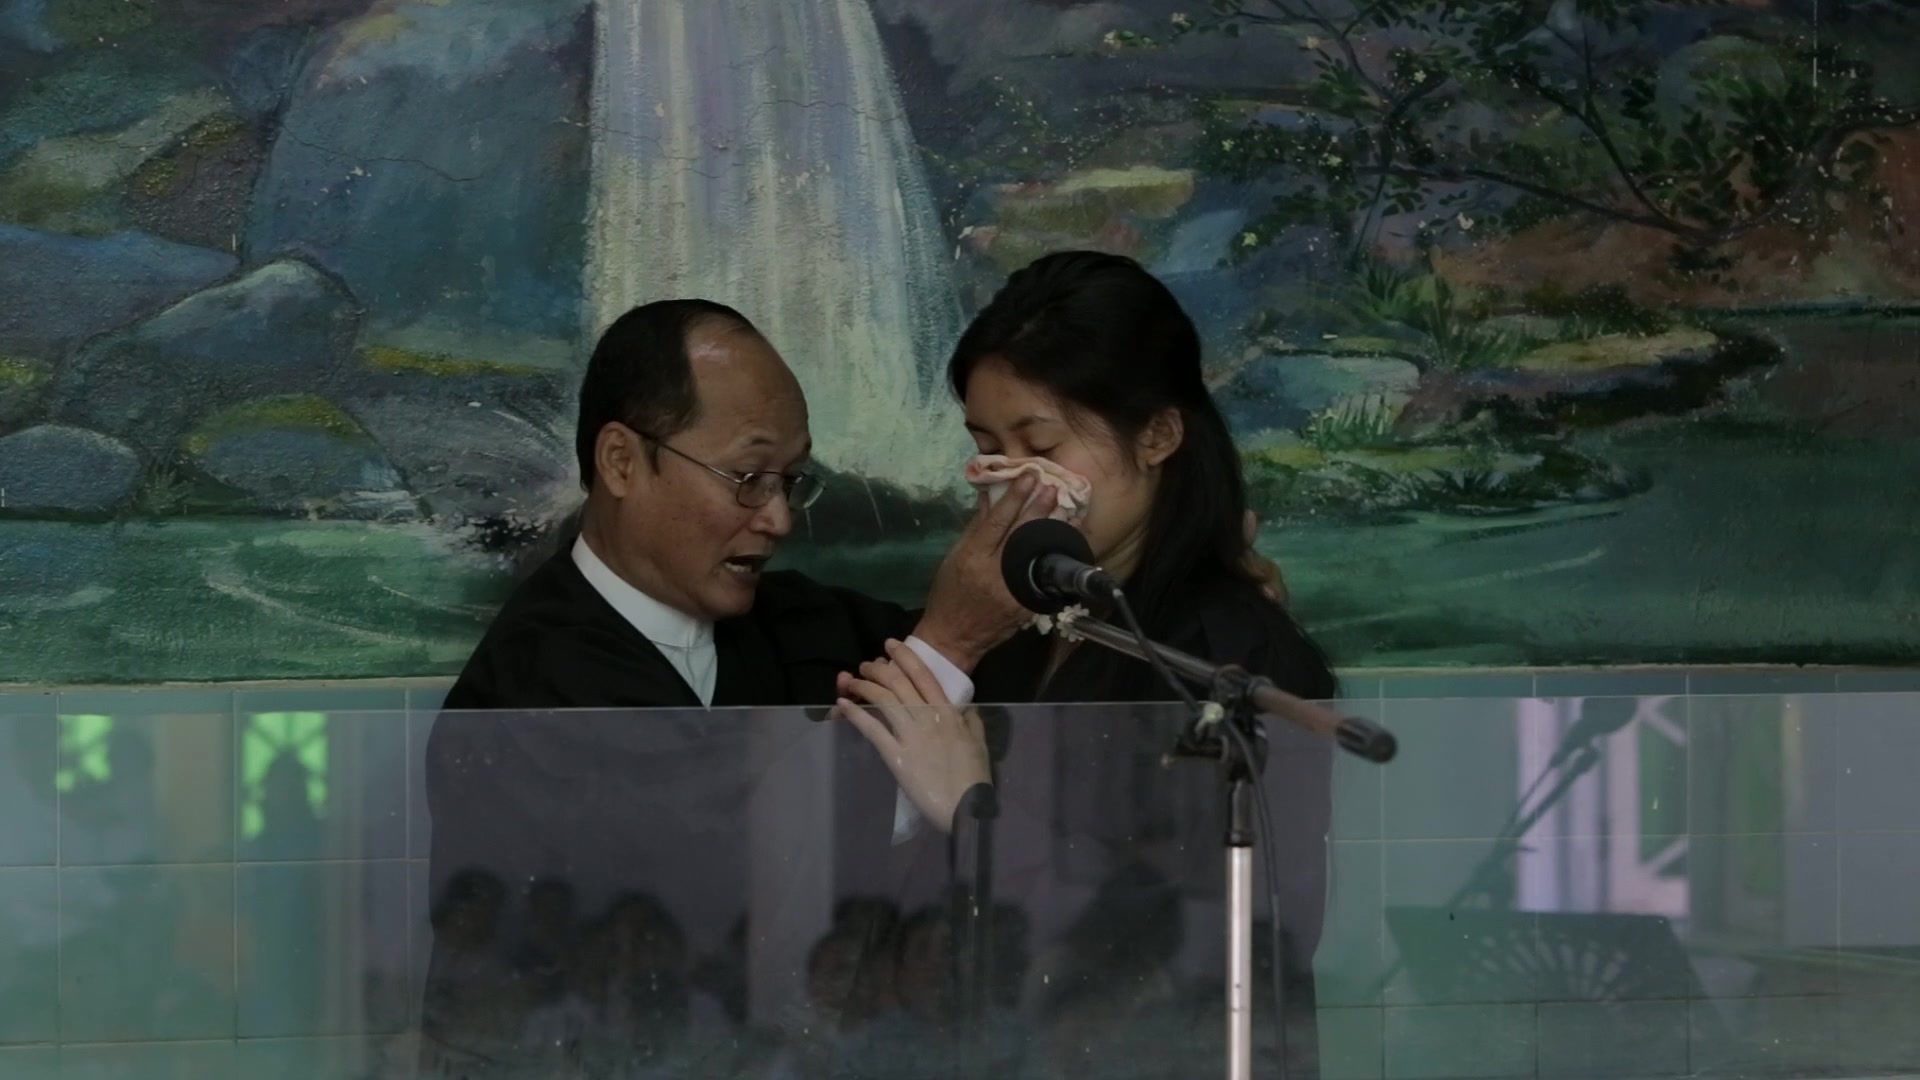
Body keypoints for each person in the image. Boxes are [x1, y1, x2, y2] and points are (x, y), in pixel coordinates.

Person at [835, 250, 1336, 1077]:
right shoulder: (1019, 618)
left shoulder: (1232, 653)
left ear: (1160, 434)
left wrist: (974, 809)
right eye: (985, 445)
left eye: (1040, 443)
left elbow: (1223, 942)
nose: (1006, 479)